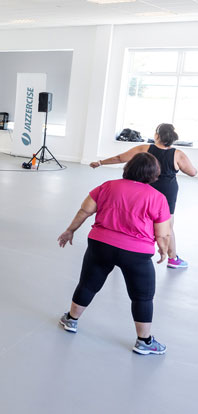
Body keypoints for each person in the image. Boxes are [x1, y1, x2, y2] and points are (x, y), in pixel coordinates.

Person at [58, 153, 172, 355]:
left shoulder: (107, 186)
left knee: (88, 284)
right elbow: (162, 234)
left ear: (128, 168)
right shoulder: (158, 198)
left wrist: (70, 230)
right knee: (142, 297)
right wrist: (164, 251)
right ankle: (144, 342)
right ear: (154, 174)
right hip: (136, 254)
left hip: (100, 245)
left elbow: (85, 211)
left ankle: (71, 320)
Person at [90, 123, 197, 269]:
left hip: (143, 188)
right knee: (167, 225)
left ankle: (121, 247)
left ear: (157, 136)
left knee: (133, 216)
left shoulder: (145, 148)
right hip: (167, 191)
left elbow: (120, 158)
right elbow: (192, 172)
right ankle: (172, 258)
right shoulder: (177, 154)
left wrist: (100, 162)